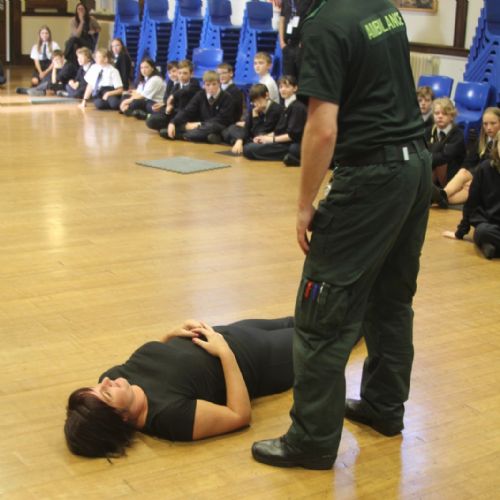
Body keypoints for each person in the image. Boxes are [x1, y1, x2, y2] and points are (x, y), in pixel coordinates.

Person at [251, 0, 431, 470]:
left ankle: (310, 440)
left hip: (372, 175)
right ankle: (384, 406)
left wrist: (304, 204)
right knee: (390, 301)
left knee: (321, 312)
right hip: (414, 166)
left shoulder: (325, 24)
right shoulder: (379, 5)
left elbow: (322, 128)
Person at [64, 317, 294, 458]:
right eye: (106, 394)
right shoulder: (169, 416)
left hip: (229, 332)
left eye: (96, 387)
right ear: (121, 417)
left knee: (304, 315)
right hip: (263, 359)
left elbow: (157, 365)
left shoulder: (116, 377)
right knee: (314, 336)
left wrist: (171, 336)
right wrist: (225, 352)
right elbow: (239, 415)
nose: (106, 382)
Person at [443, 132, 500, 260]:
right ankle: (488, 244)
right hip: (490, 225)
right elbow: (471, 203)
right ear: (496, 145)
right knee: (481, 232)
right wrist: (460, 232)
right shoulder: (485, 168)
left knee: (483, 235)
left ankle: (491, 247)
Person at [432, 107, 500, 208]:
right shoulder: (482, 140)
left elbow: (491, 166)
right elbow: (469, 161)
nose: (488, 127)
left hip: (493, 179)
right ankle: (442, 197)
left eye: (493, 123)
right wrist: (466, 172)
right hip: (478, 175)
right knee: (463, 172)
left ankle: (438, 197)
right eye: (485, 124)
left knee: (469, 183)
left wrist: (473, 176)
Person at [243, 75, 307, 162]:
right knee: (249, 146)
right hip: (281, 141)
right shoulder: (286, 106)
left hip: (290, 144)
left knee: (249, 149)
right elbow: (278, 131)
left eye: (287, 86)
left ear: (295, 88)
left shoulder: (297, 107)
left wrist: (271, 139)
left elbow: (292, 135)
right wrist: (263, 137)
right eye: (281, 87)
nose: (283, 89)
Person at [167, 70, 235, 143]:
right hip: (201, 127)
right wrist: (173, 122)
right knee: (167, 130)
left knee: (212, 126)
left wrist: (200, 124)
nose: (211, 87)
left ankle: (183, 136)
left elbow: (222, 119)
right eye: (208, 85)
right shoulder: (200, 95)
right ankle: (208, 137)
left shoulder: (227, 97)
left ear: (219, 83)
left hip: (218, 126)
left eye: (214, 84)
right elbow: (187, 111)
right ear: (204, 85)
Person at [222, 83, 282, 155]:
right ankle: (239, 141)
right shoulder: (254, 108)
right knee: (231, 128)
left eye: (258, 100)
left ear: (267, 95)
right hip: (253, 136)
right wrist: (239, 140)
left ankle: (238, 141)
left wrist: (255, 116)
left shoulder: (276, 109)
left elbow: (260, 133)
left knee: (249, 147)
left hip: (266, 138)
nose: (256, 104)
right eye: (253, 101)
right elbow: (247, 128)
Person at [146, 60, 199, 134]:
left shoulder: (194, 84)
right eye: (179, 73)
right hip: (175, 115)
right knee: (151, 121)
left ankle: (173, 128)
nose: (181, 76)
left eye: (185, 73)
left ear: (191, 74)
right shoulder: (176, 86)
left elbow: (185, 92)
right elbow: (168, 101)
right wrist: (167, 110)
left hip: (187, 116)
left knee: (164, 131)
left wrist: (173, 96)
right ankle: (173, 128)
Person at [425, 97, 466, 189]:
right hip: (431, 168)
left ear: (452, 116)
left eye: (444, 114)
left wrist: (425, 157)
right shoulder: (428, 131)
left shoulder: (457, 134)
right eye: (436, 113)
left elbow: (445, 157)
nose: (440, 116)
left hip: (450, 173)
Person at [278, 0, 313, 78]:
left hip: (301, 45)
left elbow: (311, 21)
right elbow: (282, 19)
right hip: (287, 45)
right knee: (287, 77)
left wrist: (303, 41)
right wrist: (282, 42)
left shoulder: (310, 2)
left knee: (301, 76)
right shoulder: (286, 1)